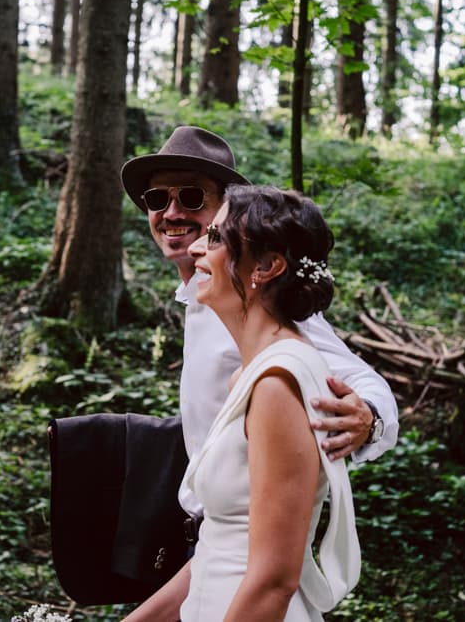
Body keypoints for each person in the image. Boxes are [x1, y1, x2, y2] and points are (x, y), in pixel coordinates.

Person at [126, 185, 361, 621]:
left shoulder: (277, 384)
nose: (195, 246)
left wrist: (370, 421)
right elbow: (223, 541)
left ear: (268, 266)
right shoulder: (248, 373)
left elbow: (273, 580)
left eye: (214, 238)